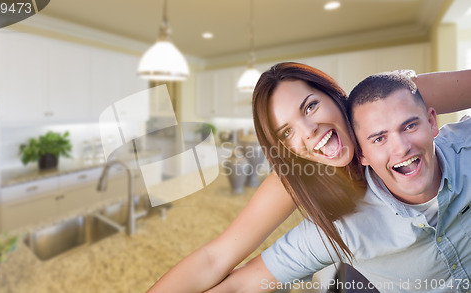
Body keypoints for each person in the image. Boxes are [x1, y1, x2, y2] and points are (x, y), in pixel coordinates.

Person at [147, 63, 471, 293]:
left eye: (311, 107)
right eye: (286, 131)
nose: (308, 131)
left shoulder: (393, 99)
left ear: (335, 96)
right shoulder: (298, 174)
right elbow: (216, 259)